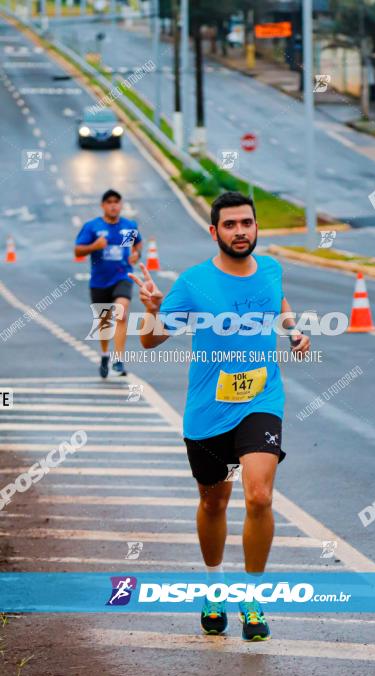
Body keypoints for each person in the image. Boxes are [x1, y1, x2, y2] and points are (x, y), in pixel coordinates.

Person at [129, 191, 310, 642]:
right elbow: (150, 343)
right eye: (230, 225)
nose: (240, 231)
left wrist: (293, 330)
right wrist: (152, 313)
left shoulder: (271, 268)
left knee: (260, 496)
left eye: (246, 223)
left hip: (261, 401)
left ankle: (252, 598)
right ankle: (214, 589)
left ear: (256, 228)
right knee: (214, 501)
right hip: (208, 412)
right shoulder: (192, 283)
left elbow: (279, 301)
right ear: (214, 232)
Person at [74, 189, 142, 377]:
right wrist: (94, 247)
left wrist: (136, 254)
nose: (113, 205)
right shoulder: (93, 227)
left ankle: (118, 360)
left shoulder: (128, 226)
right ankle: (105, 355)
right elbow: (78, 251)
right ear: (103, 205)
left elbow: (137, 244)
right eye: (109, 202)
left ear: (121, 205)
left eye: (117, 202)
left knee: (120, 313)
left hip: (123, 276)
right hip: (99, 281)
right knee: (104, 322)